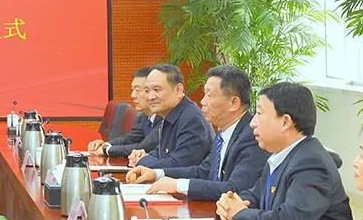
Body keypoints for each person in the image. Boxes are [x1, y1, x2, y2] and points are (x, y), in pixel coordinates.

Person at [216, 82, 353, 220]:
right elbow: (255, 195)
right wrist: (231, 203)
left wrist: (240, 214)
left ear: (285, 122)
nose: (252, 123)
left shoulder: (311, 163)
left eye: (259, 113)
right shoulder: (280, 155)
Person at [125, 65, 269, 201]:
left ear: (234, 103)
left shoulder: (252, 136)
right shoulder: (223, 133)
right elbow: (203, 172)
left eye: (209, 95)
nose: (202, 101)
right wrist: (156, 174)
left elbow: (235, 189)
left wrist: (178, 185)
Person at [127, 64, 213, 169]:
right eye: (147, 91)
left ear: (178, 90)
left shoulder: (191, 118)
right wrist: (144, 156)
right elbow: (161, 152)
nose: (150, 97)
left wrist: (141, 161)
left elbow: (179, 164)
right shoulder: (169, 114)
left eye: (157, 90)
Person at [88, 67, 160, 157]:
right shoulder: (144, 116)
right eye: (132, 89)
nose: (132, 95)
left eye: (137, 90)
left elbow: (144, 147)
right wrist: (106, 144)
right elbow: (130, 138)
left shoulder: (164, 118)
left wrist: (107, 150)